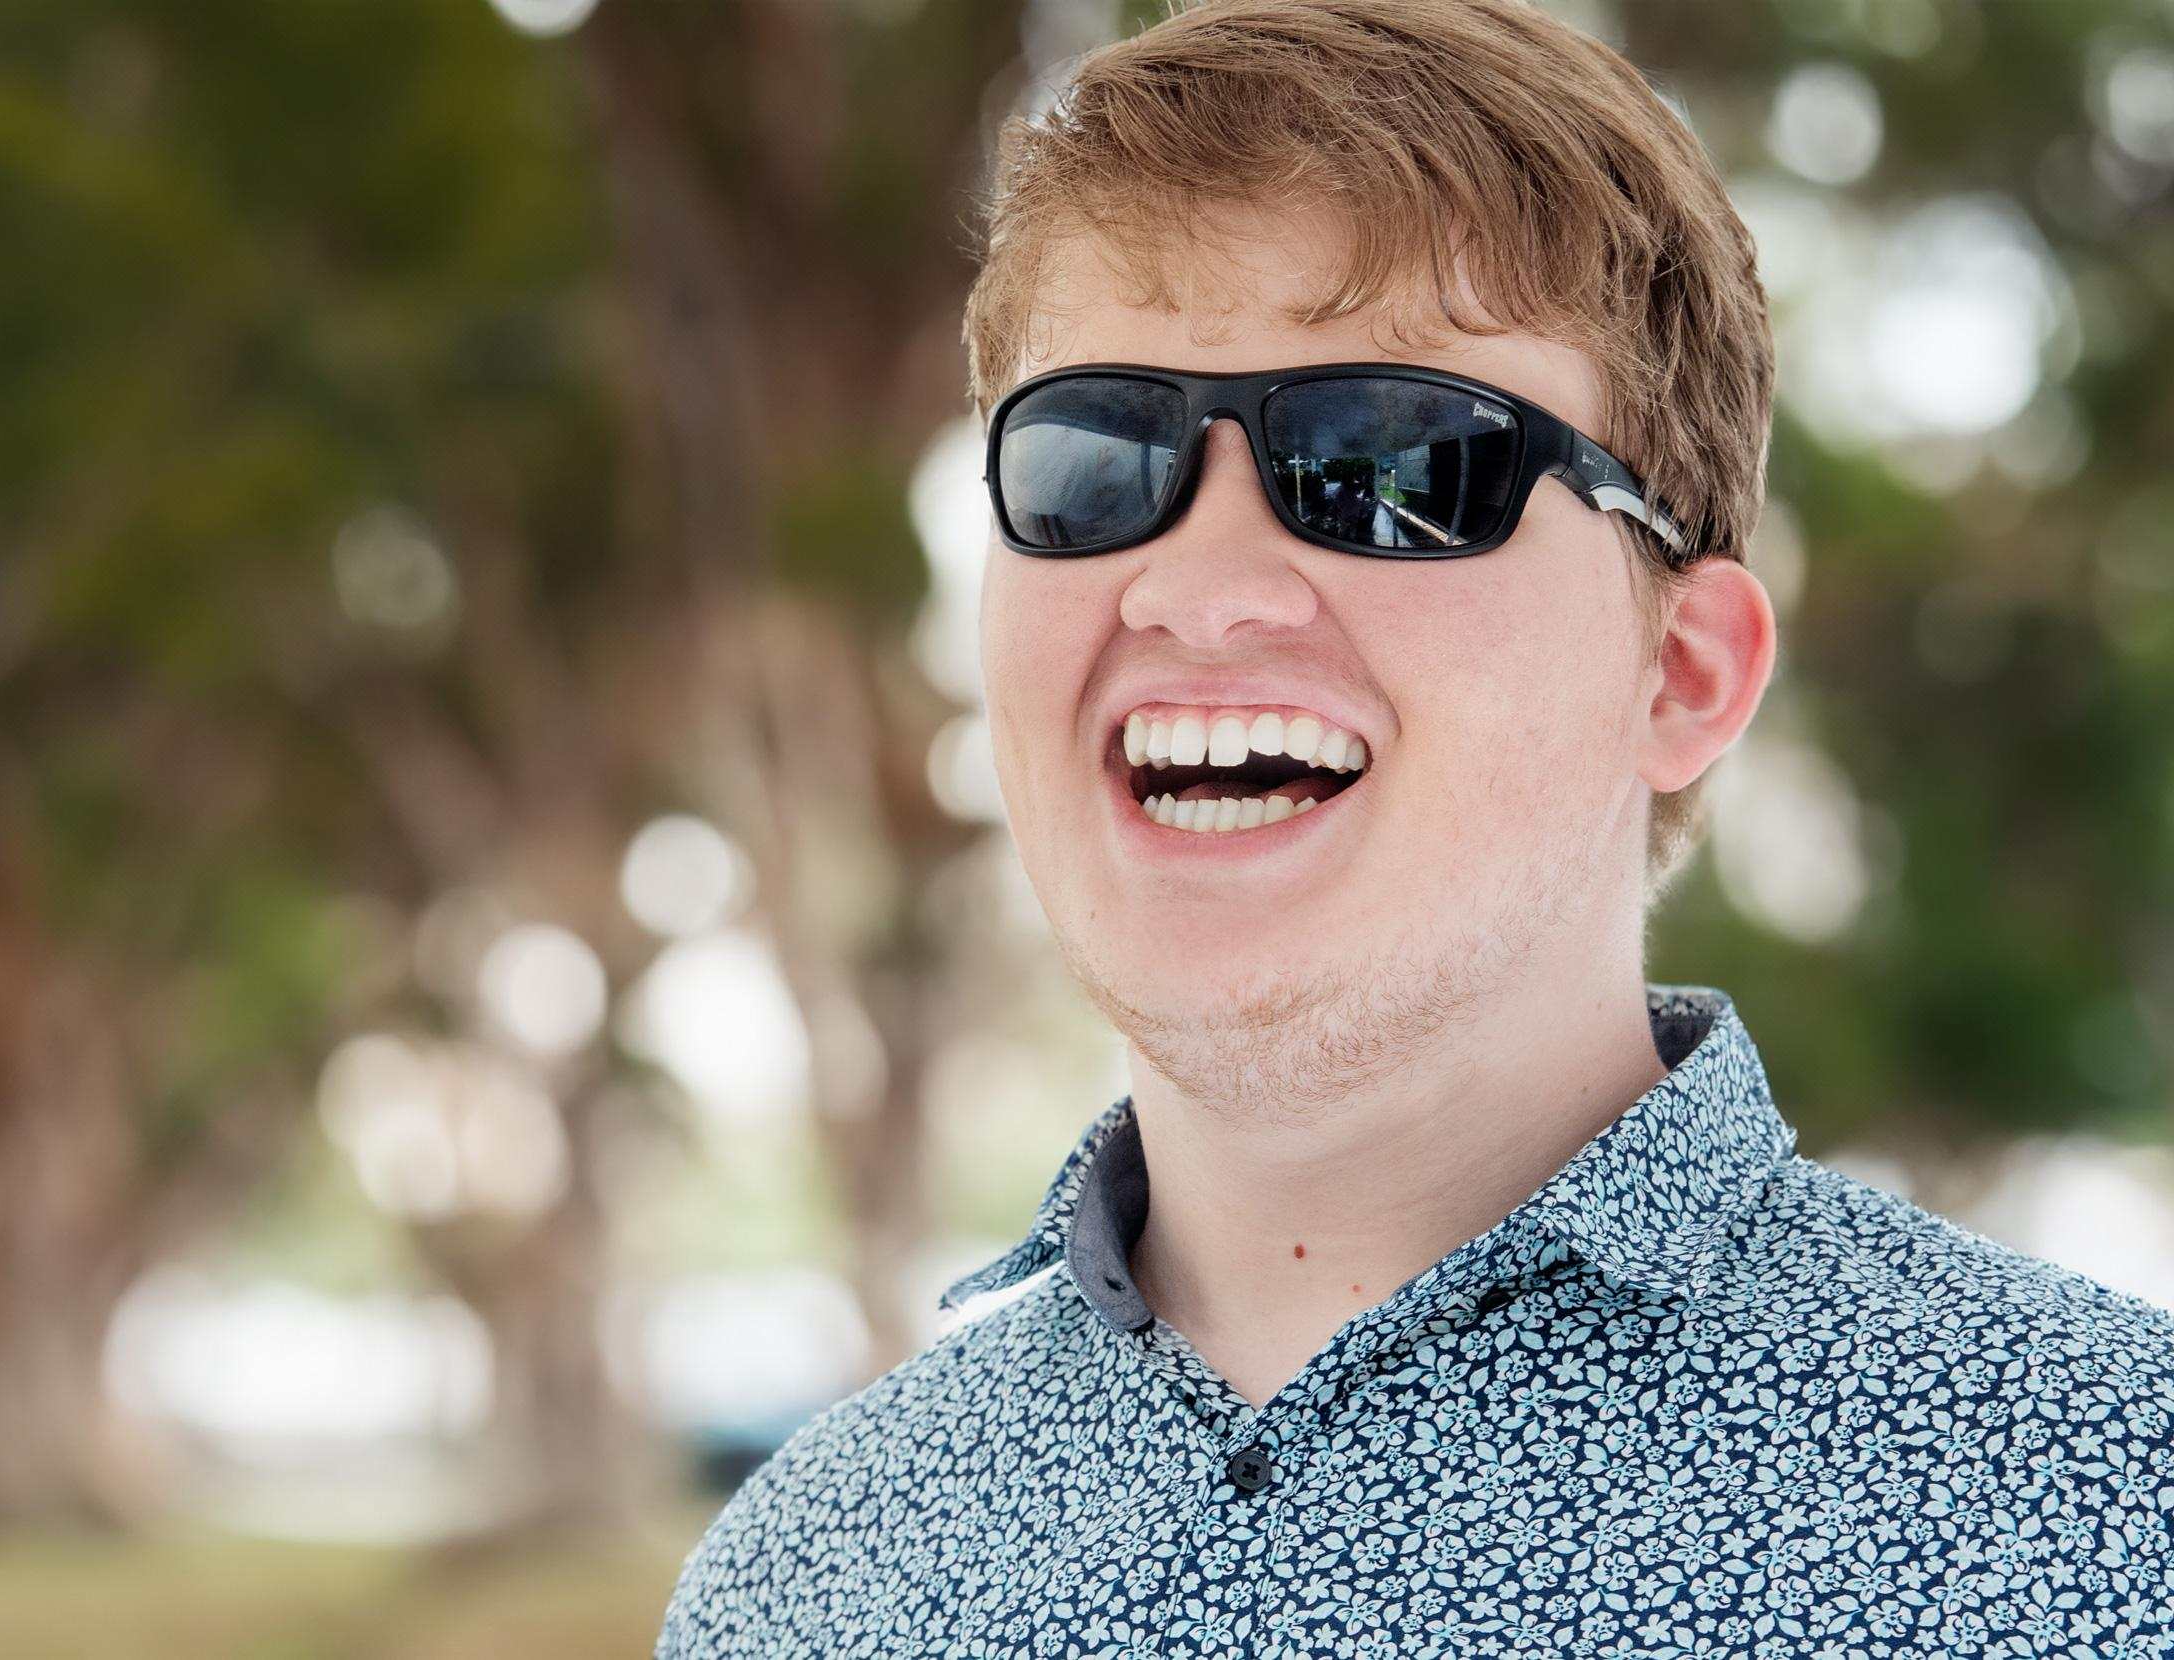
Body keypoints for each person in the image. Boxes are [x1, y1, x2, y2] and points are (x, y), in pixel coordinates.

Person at [655, 1, 2174, 1653]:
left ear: (1681, 671)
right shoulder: (796, 1585)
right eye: (1098, 461)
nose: (1198, 591)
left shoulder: (2113, 1518)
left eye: (1393, 464)